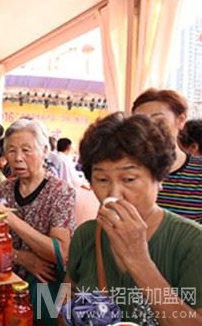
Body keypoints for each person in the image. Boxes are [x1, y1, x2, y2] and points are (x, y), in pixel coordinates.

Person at [68, 112, 202, 324]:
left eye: (129, 179)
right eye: (102, 179)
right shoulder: (86, 235)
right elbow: (65, 301)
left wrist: (138, 260)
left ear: (159, 178)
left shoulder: (192, 242)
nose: (114, 194)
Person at [0, 119, 75, 282]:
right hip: (4, 279)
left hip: (45, 286)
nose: (18, 158)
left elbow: (61, 253)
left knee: (42, 307)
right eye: (11, 151)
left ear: (45, 150)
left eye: (26, 150)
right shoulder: (3, 189)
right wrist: (20, 257)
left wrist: (12, 220)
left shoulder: (60, 192)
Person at [132, 88, 202, 223]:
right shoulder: (127, 171)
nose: (149, 129)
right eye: (141, 123)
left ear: (181, 120)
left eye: (159, 121)